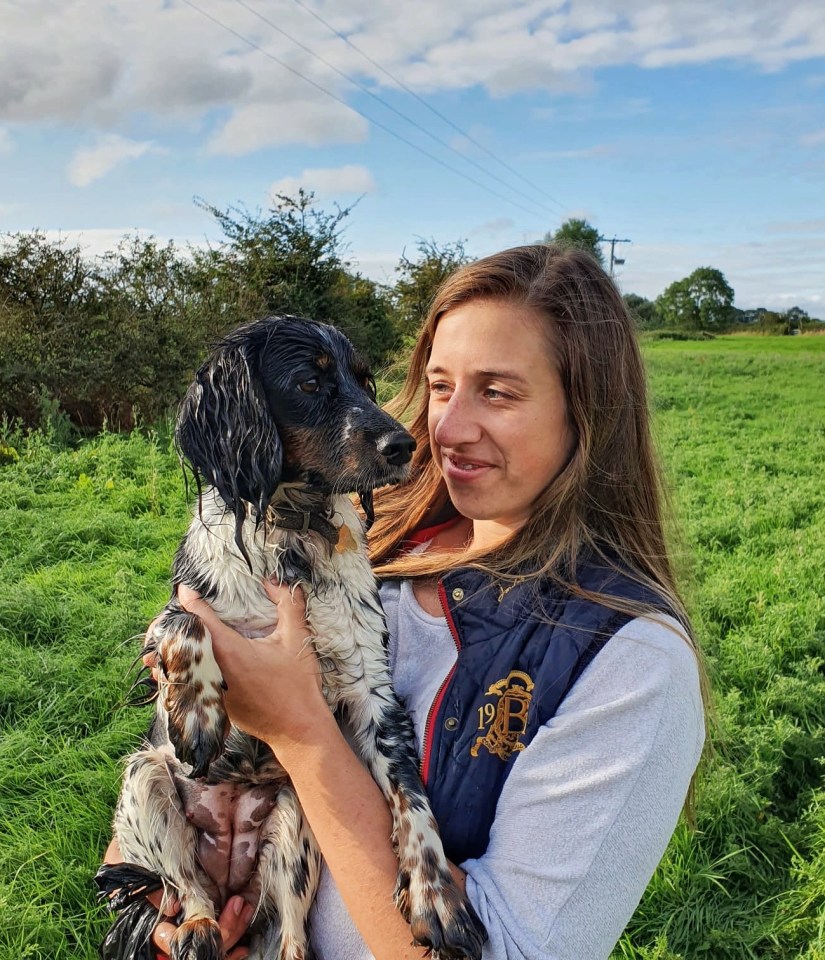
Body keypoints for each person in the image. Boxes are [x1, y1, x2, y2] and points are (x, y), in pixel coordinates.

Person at [106, 243, 706, 960]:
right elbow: (172, 753)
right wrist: (160, 907)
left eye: (499, 392)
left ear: (589, 413)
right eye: (440, 386)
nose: (445, 429)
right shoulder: (358, 537)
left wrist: (298, 729)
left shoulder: (627, 658)